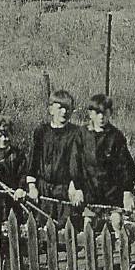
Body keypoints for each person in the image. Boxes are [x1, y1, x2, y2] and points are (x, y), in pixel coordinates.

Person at [71, 94, 135, 225]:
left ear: (110, 113)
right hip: (90, 190)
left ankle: (119, 242)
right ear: (90, 114)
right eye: (97, 113)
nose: (101, 117)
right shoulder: (82, 134)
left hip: (111, 192)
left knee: (117, 223)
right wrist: (77, 188)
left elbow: (127, 166)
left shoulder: (116, 136)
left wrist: (127, 192)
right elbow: (75, 162)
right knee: (88, 224)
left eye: (105, 113)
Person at [22, 90, 80, 222]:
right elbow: (33, 161)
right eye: (60, 108)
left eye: (67, 108)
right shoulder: (41, 132)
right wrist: (32, 186)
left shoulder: (76, 134)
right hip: (43, 190)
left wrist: (74, 185)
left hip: (64, 190)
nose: (64, 112)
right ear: (51, 110)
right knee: (40, 226)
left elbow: (77, 163)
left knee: (64, 229)